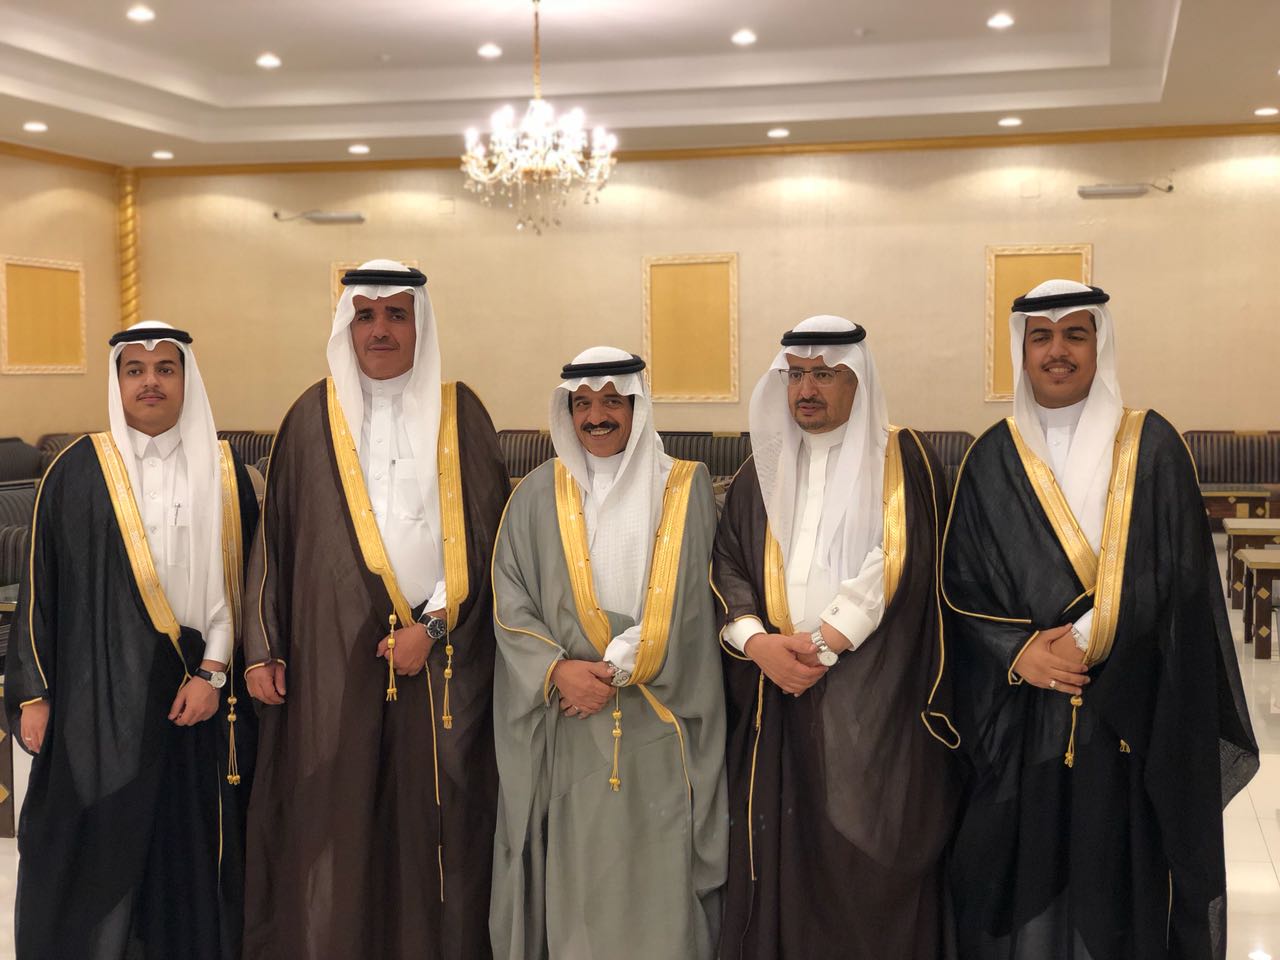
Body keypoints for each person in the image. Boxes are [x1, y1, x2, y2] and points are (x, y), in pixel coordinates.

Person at [942, 279, 1258, 959]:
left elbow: (1179, 575)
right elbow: (960, 587)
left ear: (1099, 344)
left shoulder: (1153, 445)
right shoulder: (990, 456)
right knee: (1019, 882)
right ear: (1022, 350)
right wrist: (1019, 652)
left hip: (1130, 718)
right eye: (1042, 336)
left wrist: (1090, 635)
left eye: (1075, 335)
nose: (1058, 351)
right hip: (1023, 719)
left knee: (1120, 886)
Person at [242, 260, 507, 960]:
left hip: (443, 657)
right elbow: (276, 540)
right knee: (337, 814)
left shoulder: (461, 413)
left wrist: (434, 625)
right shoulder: (310, 416)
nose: (380, 330)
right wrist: (264, 646)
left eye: (396, 315)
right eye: (366, 316)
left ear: (421, 324)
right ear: (347, 326)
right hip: (331, 655)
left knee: (437, 820)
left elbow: (491, 538)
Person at [5, 320, 258, 959]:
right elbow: (40, 586)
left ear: (186, 379)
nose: (150, 382)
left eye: (165, 369)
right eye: (135, 370)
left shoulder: (225, 472)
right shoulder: (76, 470)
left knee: (183, 847)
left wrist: (213, 674)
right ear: (117, 381)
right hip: (98, 700)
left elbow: (239, 589)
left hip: (195, 696)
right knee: (96, 845)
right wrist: (33, 693)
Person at [712, 315, 959, 959]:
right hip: (774, 692)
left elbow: (900, 556)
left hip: (874, 700)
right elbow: (728, 562)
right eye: (795, 375)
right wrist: (757, 643)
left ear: (858, 380)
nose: (806, 390)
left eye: (824, 374)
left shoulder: (901, 459)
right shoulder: (760, 471)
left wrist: (822, 644)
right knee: (783, 857)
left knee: (866, 859)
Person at [490, 347, 727, 960]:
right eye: (582, 404)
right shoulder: (535, 494)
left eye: (612, 402)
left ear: (637, 407)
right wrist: (557, 670)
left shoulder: (685, 486)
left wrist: (618, 667)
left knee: (658, 873)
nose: (596, 417)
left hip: (662, 713)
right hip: (570, 718)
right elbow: (509, 599)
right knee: (580, 877)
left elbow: (692, 602)